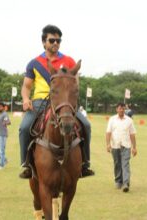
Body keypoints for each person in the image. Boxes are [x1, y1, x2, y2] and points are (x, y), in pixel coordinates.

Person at [18, 24, 94, 179]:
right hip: (40, 102)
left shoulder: (69, 61)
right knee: (24, 128)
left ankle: (85, 163)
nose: (55, 44)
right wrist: (26, 99)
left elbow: (75, 84)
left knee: (86, 125)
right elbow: (26, 87)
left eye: (58, 41)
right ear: (43, 42)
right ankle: (26, 164)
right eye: (52, 40)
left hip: (63, 102)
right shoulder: (34, 63)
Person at [106, 103, 137, 192]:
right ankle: (118, 181)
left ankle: (126, 183)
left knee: (125, 164)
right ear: (117, 109)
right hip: (115, 145)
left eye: (123, 109)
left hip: (126, 145)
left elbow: (132, 134)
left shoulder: (129, 120)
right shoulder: (112, 119)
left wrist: (134, 147)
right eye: (120, 108)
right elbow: (108, 132)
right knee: (117, 163)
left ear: (125, 110)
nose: (121, 110)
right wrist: (108, 144)